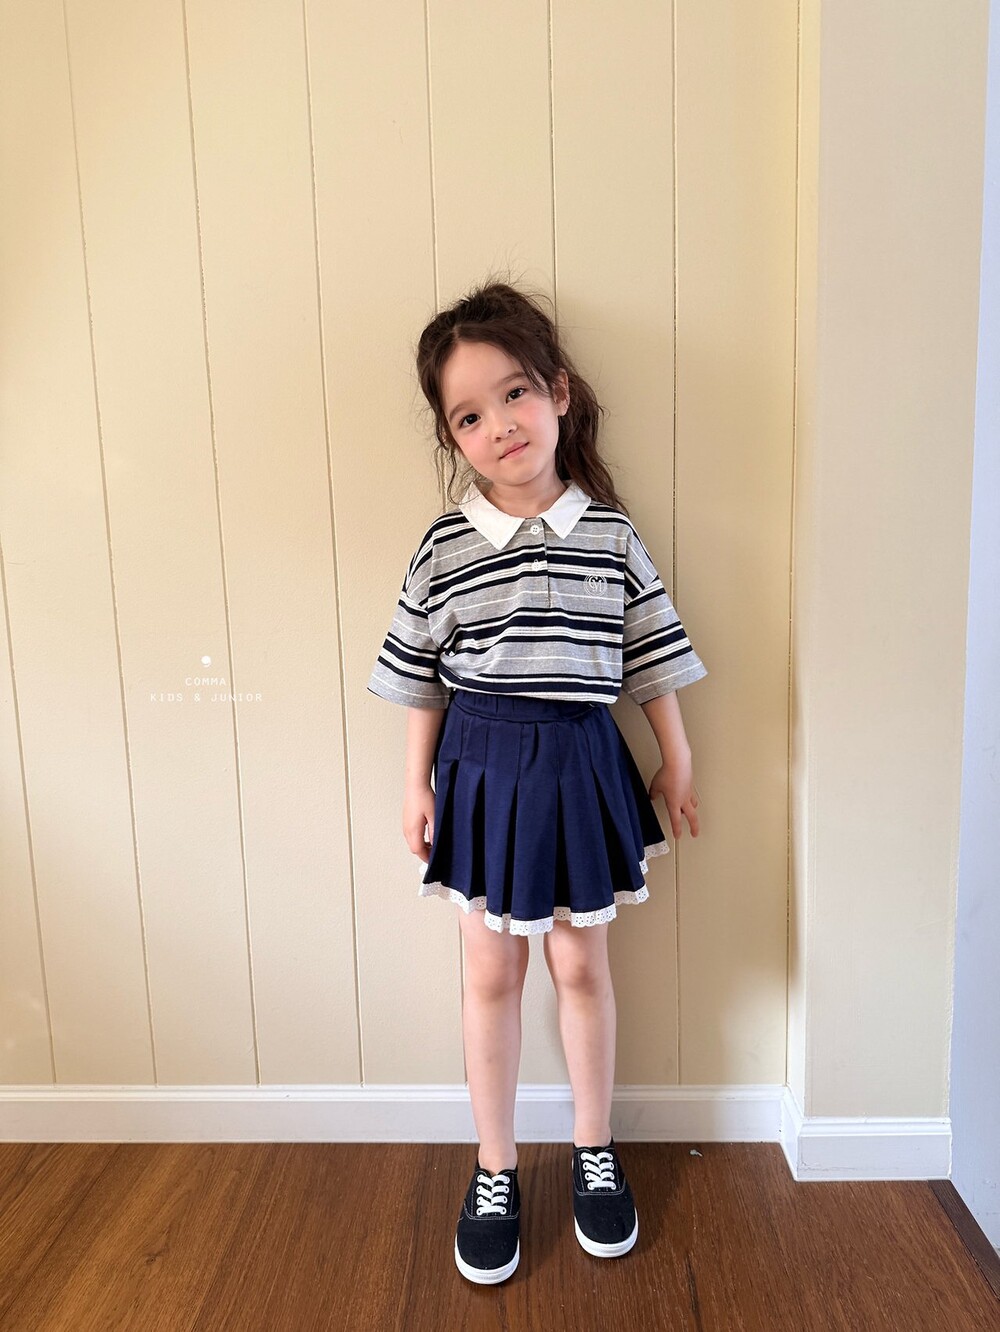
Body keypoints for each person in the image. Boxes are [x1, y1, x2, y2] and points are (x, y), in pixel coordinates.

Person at [367, 281, 707, 1285]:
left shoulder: (610, 533)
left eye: (514, 394)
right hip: (479, 772)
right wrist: (415, 784)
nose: (500, 425)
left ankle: (595, 1150)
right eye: (468, 416)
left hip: (581, 767)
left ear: (558, 394)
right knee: (489, 975)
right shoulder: (445, 545)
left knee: (580, 969)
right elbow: (421, 674)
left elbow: (649, 652)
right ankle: (495, 1167)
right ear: (453, 438)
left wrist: (677, 754)